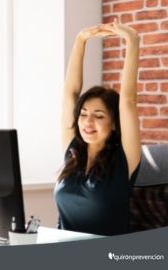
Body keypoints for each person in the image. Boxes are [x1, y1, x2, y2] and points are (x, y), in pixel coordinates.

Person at [54, 19, 141, 236]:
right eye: (83, 114)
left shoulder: (125, 160)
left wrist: (132, 41)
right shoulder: (72, 152)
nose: (87, 122)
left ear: (114, 123)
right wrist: (81, 39)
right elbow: (70, 93)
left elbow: (128, 101)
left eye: (98, 115)